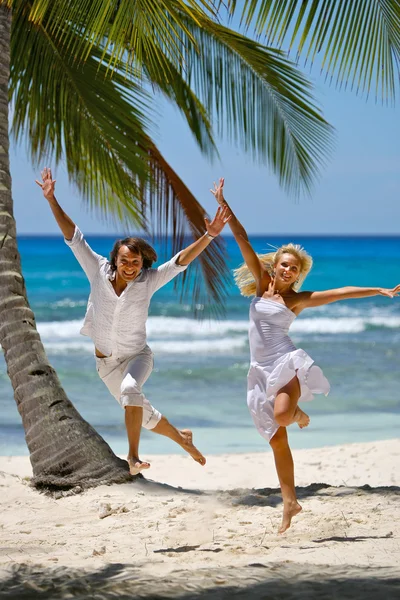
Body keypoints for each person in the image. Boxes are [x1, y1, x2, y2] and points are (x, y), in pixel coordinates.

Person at [211, 177, 400, 534]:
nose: (287, 270)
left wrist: (378, 289)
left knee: (282, 418)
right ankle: (290, 502)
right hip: (259, 371)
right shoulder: (262, 284)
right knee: (275, 440)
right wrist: (225, 204)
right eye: (283, 264)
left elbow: (340, 293)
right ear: (274, 267)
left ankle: (297, 412)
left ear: (297, 275)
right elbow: (242, 240)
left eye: (293, 268)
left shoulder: (298, 299)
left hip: (286, 364)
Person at [36, 167, 231, 476]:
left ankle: (133, 457)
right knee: (145, 414)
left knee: (130, 390)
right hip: (105, 364)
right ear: (115, 259)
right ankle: (183, 437)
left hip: (138, 357)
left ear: (143, 263)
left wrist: (208, 235)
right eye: (124, 261)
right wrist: (51, 199)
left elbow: (180, 261)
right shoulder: (98, 272)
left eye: (136, 262)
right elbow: (73, 237)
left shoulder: (148, 281)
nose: (129, 267)